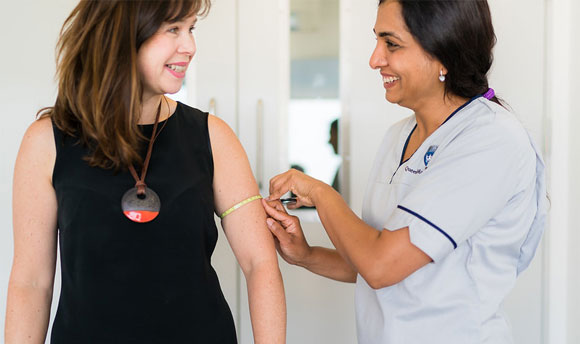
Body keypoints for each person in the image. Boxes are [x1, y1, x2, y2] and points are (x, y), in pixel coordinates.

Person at [262, 0, 547, 343]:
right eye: (377, 41)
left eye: (391, 44)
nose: (374, 59)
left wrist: (321, 194)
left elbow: (382, 266)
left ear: (443, 52)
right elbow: (375, 261)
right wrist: (306, 256)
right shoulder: (399, 135)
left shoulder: (491, 138)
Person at [5, 1, 286, 343]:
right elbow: (32, 282)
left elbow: (259, 263)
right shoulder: (46, 142)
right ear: (123, 33)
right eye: (173, 29)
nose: (190, 47)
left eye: (191, 29)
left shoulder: (213, 137)